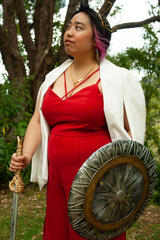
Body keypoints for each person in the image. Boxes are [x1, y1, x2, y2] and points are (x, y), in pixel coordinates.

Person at [9, 1, 146, 239]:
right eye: (69, 26)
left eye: (79, 27)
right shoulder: (52, 77)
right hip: (59, 180)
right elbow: (38, 120)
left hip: (99, 184)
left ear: (96, 39)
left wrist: (124, 183)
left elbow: (129, 136)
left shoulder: (116, 79)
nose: (69, 32)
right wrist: (26, 155)